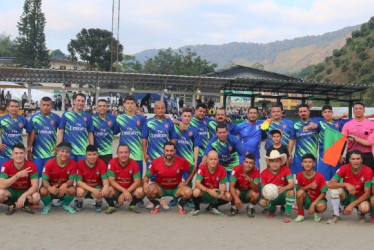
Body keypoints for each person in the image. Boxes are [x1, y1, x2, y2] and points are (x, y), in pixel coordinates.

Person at [141, 101, 176, 209]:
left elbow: (173, 138)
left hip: (165, 157)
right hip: (151, 157)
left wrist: (171, 152)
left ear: (165, 109)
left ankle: (163, 200)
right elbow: (144, 138)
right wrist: (144, 153)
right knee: (151, 178)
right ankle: (152, 200)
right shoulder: (148, 122)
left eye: (162, 108)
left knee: (163, 178)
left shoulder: (169, 122)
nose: (160, 110)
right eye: (158, 108)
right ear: (154, 110)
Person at [143, 142, 194, 215]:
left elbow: (193, 170)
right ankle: (157, 204)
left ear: (175, 151)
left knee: (189, 192)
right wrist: (145, 184)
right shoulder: (156, 162)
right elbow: (146, 176)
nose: (169, 153)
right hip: (161, 188)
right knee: (147, 190)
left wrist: (186, 182)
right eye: (167, 151)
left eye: (171, 151)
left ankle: (180, 205)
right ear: (163, 151)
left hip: (176, 188)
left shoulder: (181, 161)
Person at [326, 150, 373, 224]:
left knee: (365, 207)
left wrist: (352, 204)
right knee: (335, 190)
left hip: (360, 197)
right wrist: (345, 184)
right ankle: (336, 215)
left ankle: (361, 214)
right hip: (347, 196)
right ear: (349, 160)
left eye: (358, 159)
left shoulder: (368, 171)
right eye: (353, 159)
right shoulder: (344, 168)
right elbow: (329, 184)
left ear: (361, 160)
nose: (355, 161)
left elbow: (367, 194)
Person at [0, 143, 40, 215]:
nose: (19, 155)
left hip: (25, 191)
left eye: (21, 153)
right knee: (0, 193)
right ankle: (11, 204)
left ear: (24, 154)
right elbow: (2, 185)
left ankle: (25, 204)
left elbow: (35, 186)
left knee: (36, 197)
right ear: (12, 155)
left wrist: (24, 195)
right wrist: (17, 175)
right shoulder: (6, 165)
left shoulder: (31, 165)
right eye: (16, 153)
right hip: (11, 192)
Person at [26, 97, 61, 178]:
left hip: (51, 154)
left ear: (51, 106)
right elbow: (30, 134)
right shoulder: (34, 118)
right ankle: (35, 190)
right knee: (35, 177)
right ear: (40, 105)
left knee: (49, 177)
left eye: (48, 105)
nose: (46, 107)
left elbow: (62, 132)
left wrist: (59, 146)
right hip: (37, 154)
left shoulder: (56, 118)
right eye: (44, 105)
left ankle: (47, 191)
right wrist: (29, 151)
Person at [105, 144, 145, 214]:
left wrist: (126, 192)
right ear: (117, 154)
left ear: (129, 153)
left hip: (130, 191)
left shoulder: (134, 163)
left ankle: (132, 205)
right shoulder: (112, 162)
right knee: (106, 190)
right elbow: (111, 181)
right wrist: (124, 191)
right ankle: (111, 206)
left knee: (141, 191)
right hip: (117, 191)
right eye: (121, 152)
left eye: (126, 152)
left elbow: (137, 182)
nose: (123, 155)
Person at [39, 141, 77, 214]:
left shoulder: (73, 164)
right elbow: (44, 181)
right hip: (52, 188)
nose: (64, 154)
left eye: (67, 152)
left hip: (63, 189)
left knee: (73, 190)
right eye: (62, 151)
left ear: (70, 153)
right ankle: (47, 205)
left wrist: (65, 185)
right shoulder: (49, 163)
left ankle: (66, 204)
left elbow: (71, 180)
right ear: (58, 152)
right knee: (43, 190)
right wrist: (49, 188)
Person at [190, 150, 231, 216]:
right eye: (211, 159)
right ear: (207, 160)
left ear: (218, 160)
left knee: (228, 196)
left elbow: (223, 185)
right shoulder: (202, 167)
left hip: (215, 191)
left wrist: (222, 193)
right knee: (195, 192)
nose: (213, 161)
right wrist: (209, 190)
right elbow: (197, 184)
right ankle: (196, 208)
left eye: (215, 159)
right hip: (204, 191)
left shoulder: (222, 169)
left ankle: (212, 206)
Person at [114, 95, 146, 179]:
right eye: (128, 103)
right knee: (123, 179)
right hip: (123, 154)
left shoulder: (141, 119)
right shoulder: (119, 118)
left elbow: (145, 136)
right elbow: (113, 131)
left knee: (138, 180)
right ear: (124, 104)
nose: (130, 105)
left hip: (137, 154)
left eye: (132, 103)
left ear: (135, 105)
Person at [173, 108, 200, 207]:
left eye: (189, 116)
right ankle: (175, 198)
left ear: (191, 117)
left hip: (188, 160)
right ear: (181, 116)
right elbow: (167, 119)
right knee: (176, 178)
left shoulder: (194, 130)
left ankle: (187, 199)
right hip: (176, 159)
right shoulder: (175, 126)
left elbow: (196, 147)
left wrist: (195, 161)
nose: (187, 118)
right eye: (185, 116)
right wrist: (178, 122)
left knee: (188, 179)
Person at [259, 150, 295, 223]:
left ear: (281, 162)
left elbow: (292, 184)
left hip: (282, 195)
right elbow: (263, 190)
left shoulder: (286, 170)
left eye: (277, 161)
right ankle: (272, 209)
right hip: (271, 197)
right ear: (269, 162)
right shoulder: (264, 173)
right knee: (262, 202)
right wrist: (268, 196)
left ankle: (287, 213)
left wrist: (284, 188)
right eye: (272, 161)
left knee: (291, 192)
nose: (274, 164)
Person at [315, 104, 348, 180]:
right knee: (323, 181)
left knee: (336, 181)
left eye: (329, 112)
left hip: (336, 157)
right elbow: (314, 125)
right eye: (325, 112)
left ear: (332, 112)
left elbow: (355, 119)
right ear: (322, 113)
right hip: (324, 157)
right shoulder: (319, 123)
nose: (327, 113)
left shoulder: (339, 123)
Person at [58, 93, 94, 161]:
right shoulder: (66, 115)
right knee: (69, 171)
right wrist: (60, 147)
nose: (80, 103)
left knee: (81, 171)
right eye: (78, 100)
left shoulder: (88, 116)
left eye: (82, 101)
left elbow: (90, 133)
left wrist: (91, 149)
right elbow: (61, 131)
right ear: (74, 101)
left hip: (82, 151)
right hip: (68, 151)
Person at [75, 145, 110, 213]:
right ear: (86, 155)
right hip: (85, 187)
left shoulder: (101, 163)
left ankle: (98, 202)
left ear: (97, 155)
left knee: (103, 191)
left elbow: (105, 180)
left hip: (97, 186)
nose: (92, 157)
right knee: (79, 191)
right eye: (89, 154)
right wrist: (92, 190)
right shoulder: (80, 164)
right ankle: (79, 201)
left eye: (94, 154)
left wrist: (106, 186)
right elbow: (78, 182)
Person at [294, 154, 328, 222]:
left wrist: (313, 204)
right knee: (299, 193)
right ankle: (301, 214)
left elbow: (323, 193)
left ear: (313, 164)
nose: (307, 164)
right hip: (307, 199)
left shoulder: (320, 176)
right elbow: (298, 190)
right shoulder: (299, 175)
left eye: (310, 162)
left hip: (318, 200)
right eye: (305, 162)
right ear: (302, 164)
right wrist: (309, 186)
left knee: (321, 206)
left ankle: (317, 212)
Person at [342, 102, 374, 171]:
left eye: (360, 108)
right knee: (349, 178)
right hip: (351, 154)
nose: (358, 110)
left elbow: (369, 142)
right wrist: (340, 157)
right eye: (356, 109)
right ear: (353, 110)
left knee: (368, 178)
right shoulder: (347, 125)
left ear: (364, 110)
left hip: (367, 156)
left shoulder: (372, 124)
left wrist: (355, 139)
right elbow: (342, 141)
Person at [289, 104, 319, 174]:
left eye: (305, 111)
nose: (303, 113)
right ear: (299, 114)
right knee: (298, 178)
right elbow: (292, 139)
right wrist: (289, 153)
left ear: (309, 112)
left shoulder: (315, 123)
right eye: (301, 112)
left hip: (312, 156)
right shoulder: (295, 125)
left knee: (312, 178)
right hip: (299, 157)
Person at [228, 153, 260, 217]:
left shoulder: (256, 171)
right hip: (238, 191)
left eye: (251, 163)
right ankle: (234, 208)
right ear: (243, 162)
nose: (248, 165)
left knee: (256, 194)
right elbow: (231, 186)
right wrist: (236, 198)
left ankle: (250, 207)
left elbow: (256, 189)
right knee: (236, 191)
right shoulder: (236, 169)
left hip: (248, 193)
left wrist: (251, 182)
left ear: (254, 164)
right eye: (246, 162)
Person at [0, 99, 28, 167]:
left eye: (16, 106)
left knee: (19, 174)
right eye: (12, 106)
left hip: (18, 152)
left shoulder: (23, 119)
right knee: (4, 174)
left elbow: (31, 131)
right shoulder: (2, 119)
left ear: (18, 108)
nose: (14, 108)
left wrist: (28, 146)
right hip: (5, 152)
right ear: (8, 108)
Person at [92, 99, 116, 164]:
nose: (102, 108)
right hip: (95, 152)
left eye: (104, 106)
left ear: (107, 107)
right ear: (97, 108)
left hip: (108, 152)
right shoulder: (92, 119)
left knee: (107, 173)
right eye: (99, 106)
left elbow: (116, 130)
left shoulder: (113, 118)